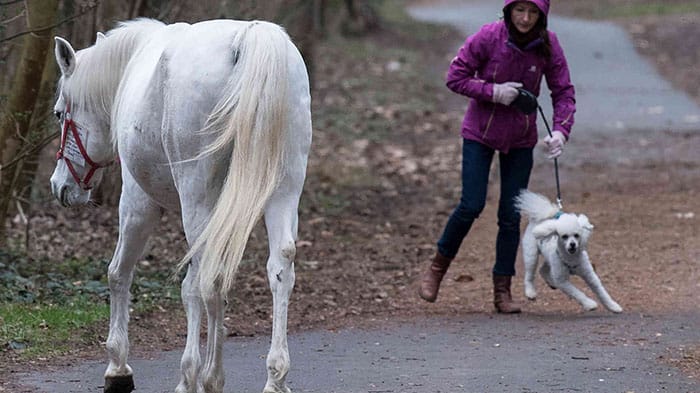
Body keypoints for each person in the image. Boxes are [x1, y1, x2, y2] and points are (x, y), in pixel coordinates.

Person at [418, 0, 576, 313]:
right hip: (480, 132)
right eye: (519, 10)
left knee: (510, 214)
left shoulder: (548, 44)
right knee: (471, 204)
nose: (526, 19)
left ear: (542, 16)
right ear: (508, 10)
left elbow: (563, 92)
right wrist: (494, 91)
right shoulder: (488, 36)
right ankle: (436, 269)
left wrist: (560, 131)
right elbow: (455, 76)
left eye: (533, 13)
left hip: (520, 138)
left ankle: (502, 291)